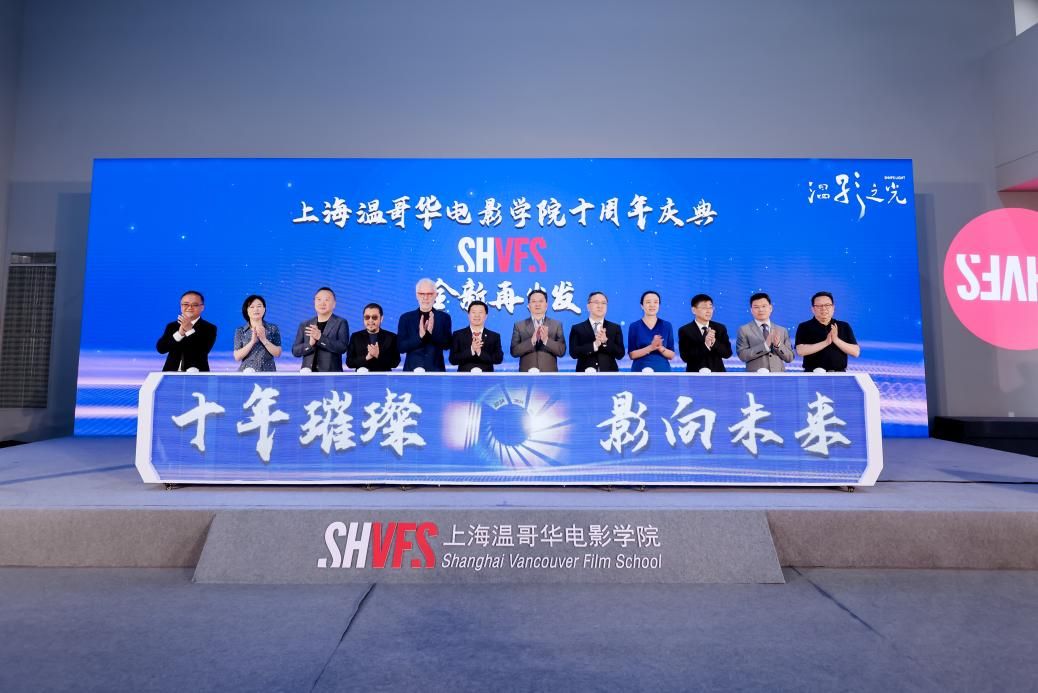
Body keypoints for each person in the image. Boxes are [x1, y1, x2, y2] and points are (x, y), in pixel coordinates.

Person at [794, 291, 860, 372]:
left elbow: (855, 352)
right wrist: (826, 342)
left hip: (839, 374)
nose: (823, 308)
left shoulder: (844, 326)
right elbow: (800, 351)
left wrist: (836, 340)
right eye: (819, 306)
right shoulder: (804, 326)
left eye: (827, 305)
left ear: (833, 307)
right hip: (813, 374)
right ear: (813, 309)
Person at [397, 278, 452, 371]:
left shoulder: (444, 317)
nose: (425, 298)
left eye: (429, 294)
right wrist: (420, 337)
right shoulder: (406, 318)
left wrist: (431, 334)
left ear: (436, 295)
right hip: (411, 371)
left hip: (436, 371)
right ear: (416, 295)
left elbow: (447, 345)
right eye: (421, 294)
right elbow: (401, 347)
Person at [156, 290, 217, 372]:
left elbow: (203, 350)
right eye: (186, 304)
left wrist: (189, 331)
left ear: (202, 307)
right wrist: (180, 333)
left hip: (198, 374)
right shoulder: (172, 326)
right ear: (181, 306)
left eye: (195, 305)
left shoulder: (209, 328)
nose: (190, 307)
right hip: (171, 373)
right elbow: (161, 349)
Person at [291, 287, 349, 372]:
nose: (322, 303)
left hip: (330, 374)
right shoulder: (305, 324)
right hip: (307, 373)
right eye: (319, 299)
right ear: (314, 302)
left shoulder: (340, 322)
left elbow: (342, 347)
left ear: (334, 304)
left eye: (327, 300)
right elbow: (295, 351)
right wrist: (310, 344)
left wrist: (320, 338)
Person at [736, 292, 794, 373]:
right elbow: (743, 356)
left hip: (778, 376)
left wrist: (778, 345)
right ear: (751, 310)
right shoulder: (744, 330)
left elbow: (790, 358)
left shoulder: (782, 330)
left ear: (770, 308)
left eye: (764, 306)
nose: (761, 310)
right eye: (756, 307)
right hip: (755, 376)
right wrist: (765, 346)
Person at [510, 289, 566, 372]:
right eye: (533, 301)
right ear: (529, 305)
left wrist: (546, 340)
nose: (537, 304)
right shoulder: (519, 326)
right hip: (526, 374)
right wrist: (531, 341)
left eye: (541, 301)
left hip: (549, 375)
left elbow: (561, 351)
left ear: (546, 305)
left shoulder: (556, 325)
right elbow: (514, 351)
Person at [570, 291, 625, 372]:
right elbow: (573, 353)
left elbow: (620, 354)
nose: (600, 306)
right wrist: (594, 345)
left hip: (609, 375)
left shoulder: (615, 328)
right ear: (588, 306)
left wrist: (606, 342)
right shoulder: (577, 328)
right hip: (585, 374)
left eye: (603, 303)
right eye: (596, 302)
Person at [678, 293, 732, 372]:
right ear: (693, 310)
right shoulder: (685, 330)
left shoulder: (720, 328)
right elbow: (685, 357)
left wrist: (714, 342)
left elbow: (727, 353)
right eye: (704, 308)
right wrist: (705, 345)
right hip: (695, 374)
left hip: (717, 374)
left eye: (710, 307)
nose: (708, 311)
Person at [449, 300, 504, 372]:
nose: (477, 315)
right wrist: (471, 350)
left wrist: (480, 352)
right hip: (464, 377)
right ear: (468, 315)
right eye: (473, 312)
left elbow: (499, 359)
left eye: (480, 312)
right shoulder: (458, 335)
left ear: (486, 316)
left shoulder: (494, 336)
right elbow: (453, 359)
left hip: (487, 377)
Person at [627, 290, 674, 372]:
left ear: (659, 305)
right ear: (642, 306)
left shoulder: (667, 325)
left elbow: (671, 355)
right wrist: (651, 347)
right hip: (639, 371)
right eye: (648, 302)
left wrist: (660, 348)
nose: (652, 305)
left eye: (656, 302)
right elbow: (632, 355)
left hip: (662, 371)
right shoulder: (634, 326)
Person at [232, 294, 282, 372]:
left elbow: (277, 353)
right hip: (247, 372)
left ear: (264, 309)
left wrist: (264, 339)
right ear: (247, 310)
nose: (256, 309)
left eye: (259, 306)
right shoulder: (240, 331)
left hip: (268, 372)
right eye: (252, 307)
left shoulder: (273, 328)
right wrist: (252, 342)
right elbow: (237, 357)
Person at [346, 303, 400, 372]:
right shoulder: (355, 337)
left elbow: (395, 363)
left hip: (383, 377)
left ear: (381, 318)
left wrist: (377, 355)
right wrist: (366, 357)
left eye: (374, 317)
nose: (370, 320)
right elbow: (349, 362)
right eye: (367, 317)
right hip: (361, 377)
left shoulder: (391, 337)